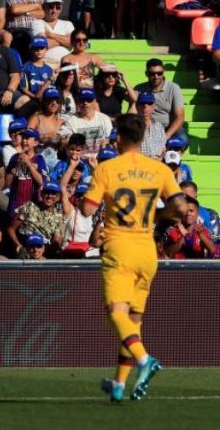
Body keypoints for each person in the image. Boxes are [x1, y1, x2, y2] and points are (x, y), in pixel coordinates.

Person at [83, 113, 187, 402]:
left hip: (120, 247)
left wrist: (88, 197)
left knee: (116, 313)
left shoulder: (107, 168)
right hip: (147, 251)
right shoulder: (159, 170)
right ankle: (118, 384)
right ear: (142, 139)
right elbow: (180, 207)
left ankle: (144, 359)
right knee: (133, 322)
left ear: (118, 138)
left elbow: (88, 210)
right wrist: (157, 213)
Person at [7, 179, 65, 257]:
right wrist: (18, 245)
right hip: (26, 245)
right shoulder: (29, 206)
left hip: (43, 248)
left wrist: (42, 251)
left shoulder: (59, 216)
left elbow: (57, 241)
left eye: (53, 193)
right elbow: (11, 229)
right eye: (47, 192)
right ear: (41, 193)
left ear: (58, 197)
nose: (49, 196)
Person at [134, 58, 185, 141]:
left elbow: (180, 116)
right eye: (152, 74)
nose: (156, 76)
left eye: (159, 73)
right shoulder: (139, 89)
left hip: (169, 127)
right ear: (146, 73)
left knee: (183, 139)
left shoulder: (174, 88)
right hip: (147, 127)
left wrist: (167, 135)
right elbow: (133, 111)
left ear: (163, 72)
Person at [57, 88, 113, 159]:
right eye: (82, 100)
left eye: (89, 100)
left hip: (100, 159)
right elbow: (63, 141)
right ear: (77, 102)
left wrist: (107, 142)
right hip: (79, 160)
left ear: (95, 101)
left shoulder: (104, 118)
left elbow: (110, 139)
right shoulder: (70, 121)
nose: (85, 103)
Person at [31, 0, 74, 65]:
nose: (54, 11)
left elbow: (73, 42)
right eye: (51, 7)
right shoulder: (37, 23)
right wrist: (64, 42)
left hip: (67, 64)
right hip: (46, 65)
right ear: (44, 7)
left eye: (58, 7)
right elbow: (43, 44)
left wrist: (51, 35)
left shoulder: (68, 24)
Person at [136, 92, 167, 159]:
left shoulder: (159, 126)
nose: (145, 106)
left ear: (154, 107)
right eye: (142, 103)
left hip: (158, 163)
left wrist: (160, 158)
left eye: (149, 103)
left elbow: (163, 149)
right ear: (137, 106)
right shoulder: (133, 127)